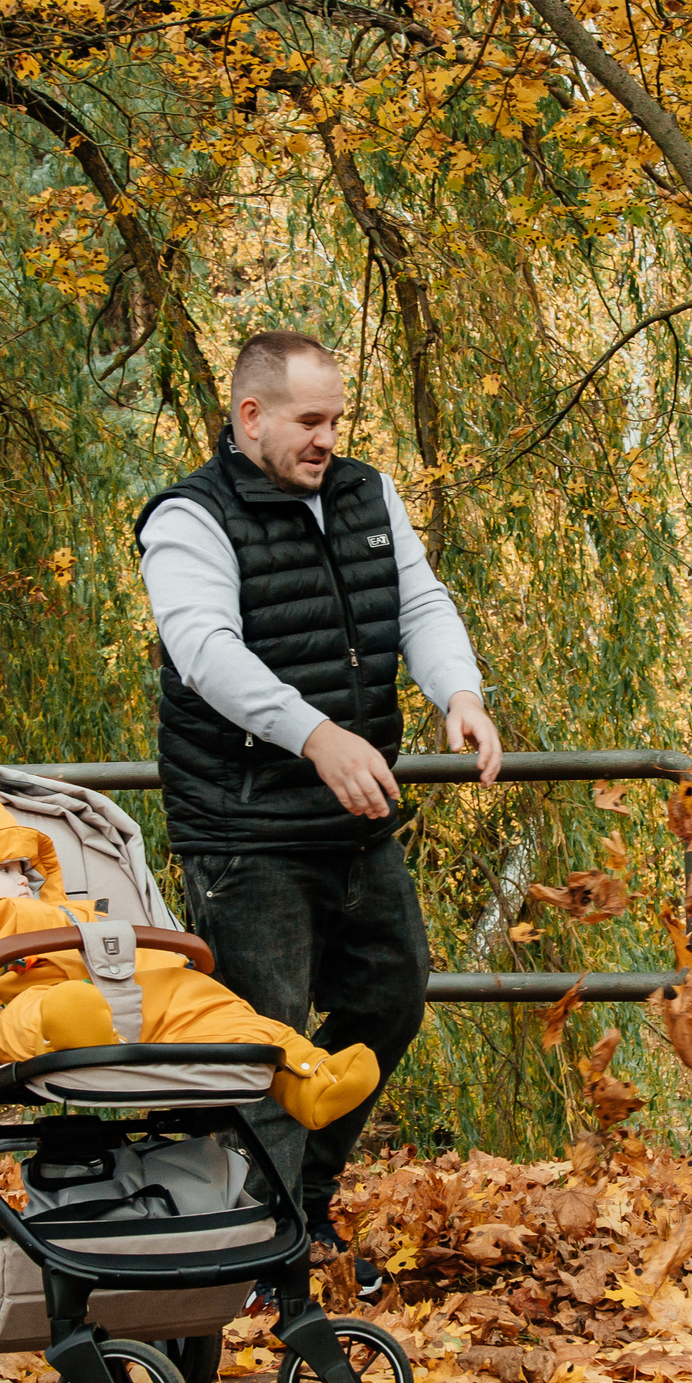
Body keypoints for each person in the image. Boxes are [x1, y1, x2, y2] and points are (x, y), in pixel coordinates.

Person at [135, 330, 499, 1295]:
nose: (328, 437)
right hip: (246, 826)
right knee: (265, 1037)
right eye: (309, 419)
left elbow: (417, 603)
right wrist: (315, 735)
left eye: (336, 418)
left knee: (391, 993)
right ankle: (267, 1245)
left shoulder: (366, 492)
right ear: (250, 416)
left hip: (353, 818)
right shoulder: (187, 520)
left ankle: (302, 1207)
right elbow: (206, 652)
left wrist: (457, 692)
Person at [0, 788, 380, 1131]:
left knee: (205, 1000)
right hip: (17, 1011)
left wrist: (168, 968)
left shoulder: (67, 912)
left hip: (120, 995)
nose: (19, 879)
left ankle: (306, 1075)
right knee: (48, 1011)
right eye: (2, 868)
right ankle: (78, 1031)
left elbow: (133, 954)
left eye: (22, 867)